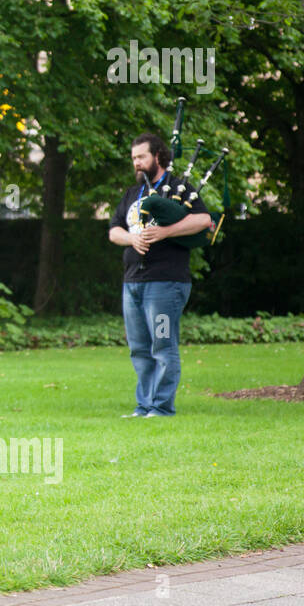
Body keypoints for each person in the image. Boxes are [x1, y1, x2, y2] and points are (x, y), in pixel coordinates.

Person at [108, 133, 213, 418]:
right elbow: (114, 230)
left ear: (157, 157)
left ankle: (161, 407)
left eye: (141, 157)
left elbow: (204, 221)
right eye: (133, 159)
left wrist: (165, 231)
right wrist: (132, 240)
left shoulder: (179, 188)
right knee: (139, 348)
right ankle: (144, 406)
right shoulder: (133, 194)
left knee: (163, 345)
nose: (137, 163)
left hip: (166, 284)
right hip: (133, 282)